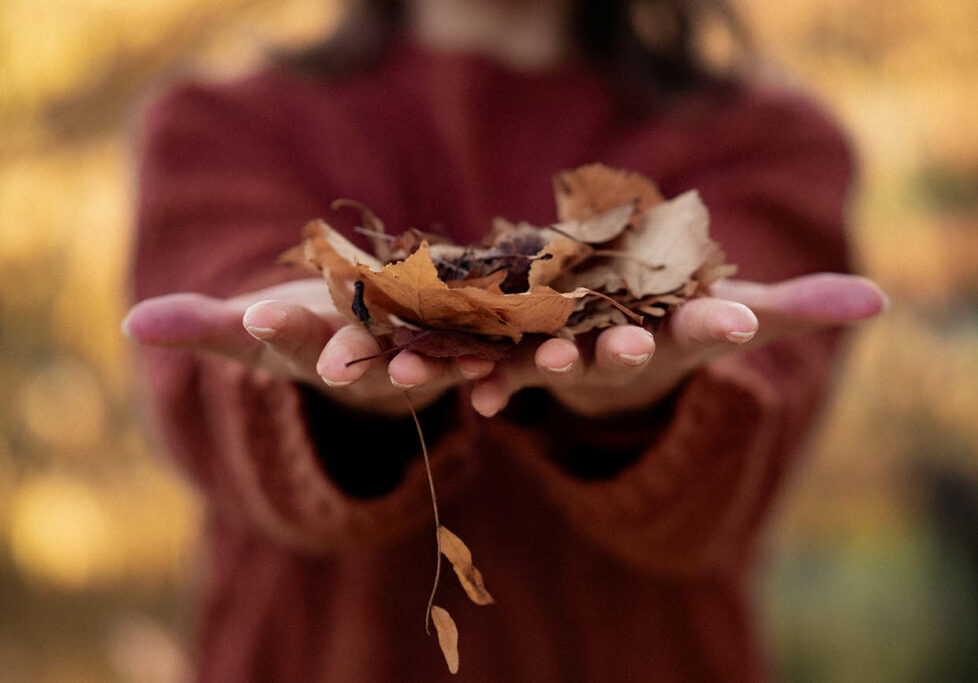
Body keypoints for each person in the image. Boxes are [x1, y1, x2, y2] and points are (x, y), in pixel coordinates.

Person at [122, 0, 887, 680]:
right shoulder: (218, 127)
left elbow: (740, 451)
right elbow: (216, 376)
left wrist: (638, 411)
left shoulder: (767, 142)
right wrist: (335, 398)